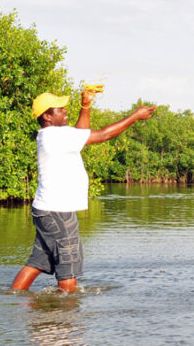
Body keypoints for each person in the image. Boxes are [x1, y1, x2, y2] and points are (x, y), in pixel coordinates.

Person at [10, 87, 156, 293]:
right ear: (47, 116)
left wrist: (85, 105)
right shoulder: (56, 136)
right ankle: (67, 318)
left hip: (47, 211)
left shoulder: (52, 135)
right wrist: (135, 116)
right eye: (60, 109)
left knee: (37, 263)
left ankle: (13, 301)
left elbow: (80, 134)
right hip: (58, 213)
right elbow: (104, 135)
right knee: (68, 267)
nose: (65, 111)